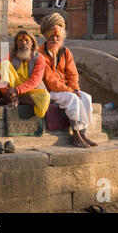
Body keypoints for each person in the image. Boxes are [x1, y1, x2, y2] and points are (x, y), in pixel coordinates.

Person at [37, 13, 97, 148]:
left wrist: (75, 88)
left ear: (62, 37)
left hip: (66, 89)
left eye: (58, 37)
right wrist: (71, 91)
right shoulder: (40, 54)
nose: (55, 39)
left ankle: (83, 134)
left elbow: (73, 74)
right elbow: (50, 80)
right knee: (72, 99)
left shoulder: (66, 52)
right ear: (46, 37)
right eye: (52, 36)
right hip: (49, 91)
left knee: (86, 97)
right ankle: (75, 135)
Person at [0, 30, 50, 118]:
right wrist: (6, 91)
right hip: (11, 91)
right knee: (4, 64)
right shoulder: (11, 56)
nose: (23, 43)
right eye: (20, 41)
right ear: (16, 43)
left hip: (31, 91)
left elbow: (35, 81)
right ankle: (10, 98)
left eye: (26, 40)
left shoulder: (39, 58)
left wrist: (17, 90)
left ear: (32, 43)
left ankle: (17, 100)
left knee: (45, 96)